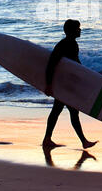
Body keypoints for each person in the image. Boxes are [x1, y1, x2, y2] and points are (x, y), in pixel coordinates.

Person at [42, 19, 98, 149]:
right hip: (64, 85)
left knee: (58, 111)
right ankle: (83, 141)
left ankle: (48, 139)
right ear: (72, 31)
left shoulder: (72, 44)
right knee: (70, 112)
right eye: (78, 28)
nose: (80, 30)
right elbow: (52, 63)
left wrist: (86, 76)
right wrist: (49, 85)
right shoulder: (65, 44)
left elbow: (75, 63)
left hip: (66, 83)